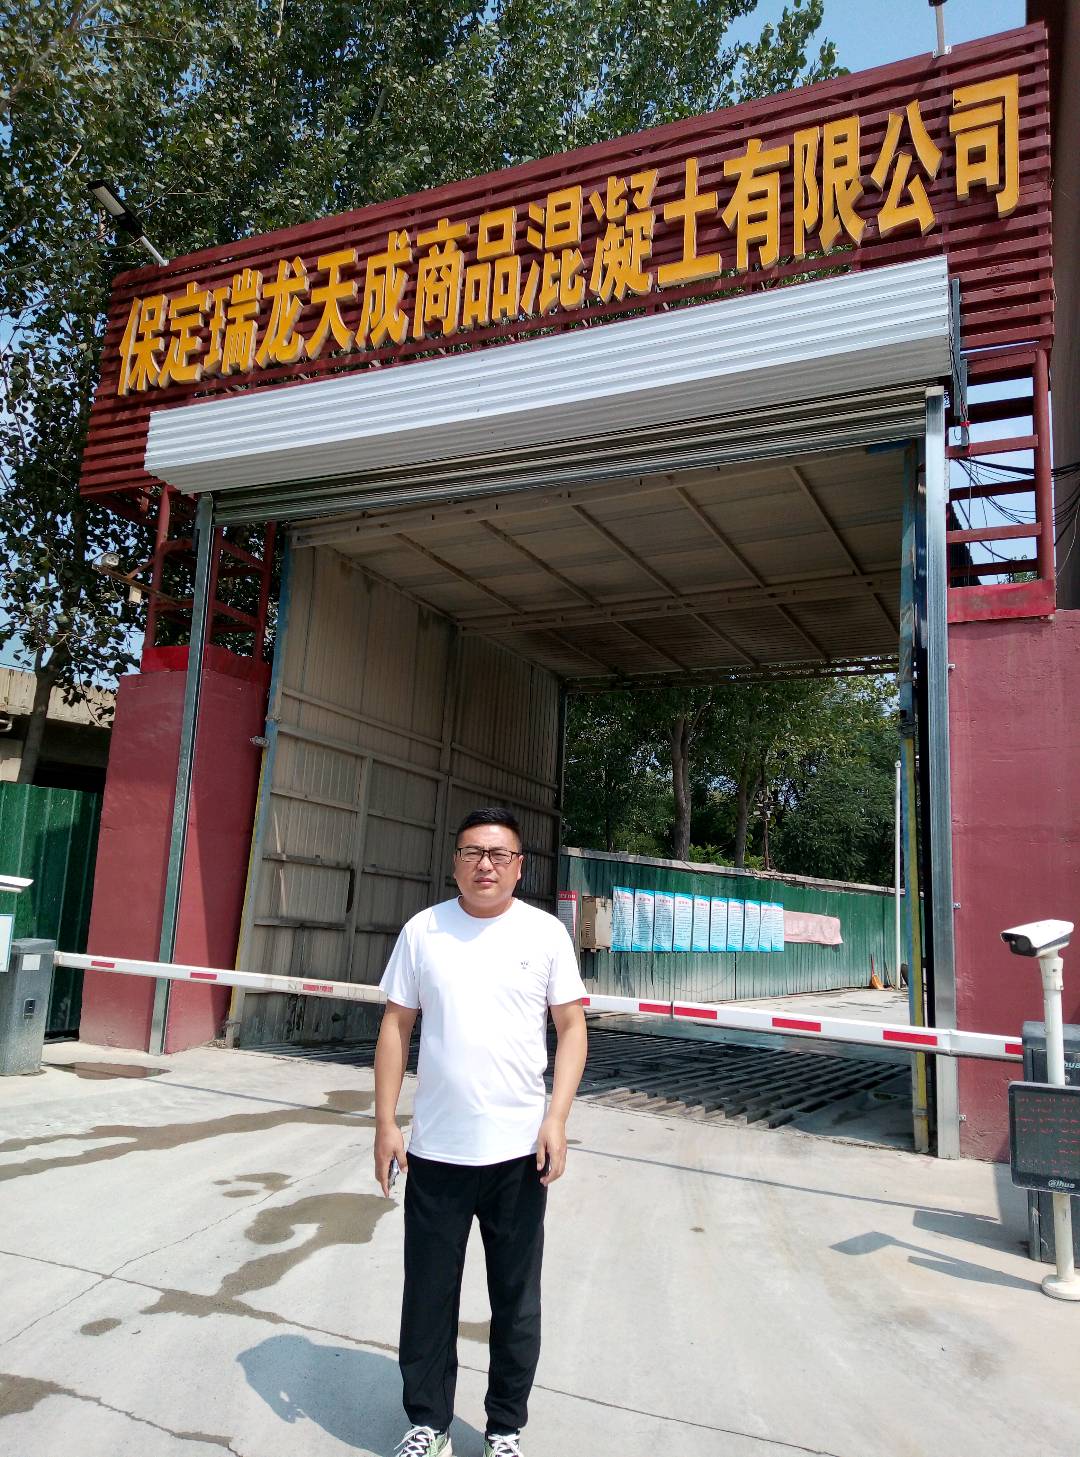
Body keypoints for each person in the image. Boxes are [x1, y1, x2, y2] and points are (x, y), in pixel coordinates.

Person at [374, 806, 588, 1457]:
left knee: (515, 1299)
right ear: (455, 862)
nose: (485, 864)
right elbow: (395, 1026)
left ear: (519, 866)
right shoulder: (423, 931)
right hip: (436, 1153)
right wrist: (385, 1122)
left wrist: (556, 1118)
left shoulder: (545, 934)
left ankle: (504, 1429)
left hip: (518, 1155)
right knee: (428, 1296)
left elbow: (572, 1028)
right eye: (472, 852)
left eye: (498, 854)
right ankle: (428, 1423)